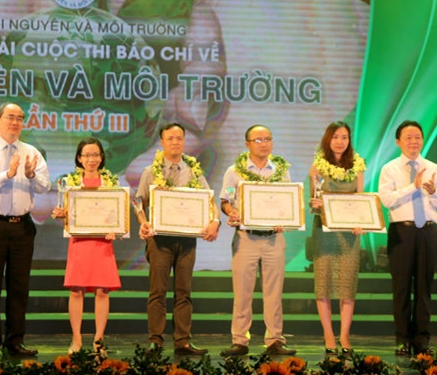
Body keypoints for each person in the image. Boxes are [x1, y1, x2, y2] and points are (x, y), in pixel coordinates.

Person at [0, 102, 51, 359]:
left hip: (22, 227)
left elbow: (44, 187)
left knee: (19, 286)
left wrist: (30, 174)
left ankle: (15, 341)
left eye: (19, 118)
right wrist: (8, 174)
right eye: (10, 117)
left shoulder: (31, 152)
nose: (15, 122)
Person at [135, 123, 220, 356]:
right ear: (162, 142)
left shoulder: (194, 171)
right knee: (158, 291)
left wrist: (215, 221)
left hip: (186, 241)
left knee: (184, 292)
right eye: (170, 138)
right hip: (159, 240)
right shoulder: (150, 171)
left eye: (179, 138)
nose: (175, 142)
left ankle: (182, 341)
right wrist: (143, 221)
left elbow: (210, 201)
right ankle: (155, 340)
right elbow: (138, 201)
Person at [220, 125, 297, 357]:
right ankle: (240, 340)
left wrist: (285, 219)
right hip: (246, 238)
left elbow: (287, 202)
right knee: (242, 292)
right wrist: (232, 211)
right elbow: (225, 200)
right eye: (258, 140)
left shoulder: (281, 170)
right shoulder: (234, 171)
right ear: (247, 144)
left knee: (274, 292)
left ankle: (274, 339)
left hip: (274, 238)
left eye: (267, 139)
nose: (263, 144)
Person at [378, 120, 437, 356]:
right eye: (408, 138)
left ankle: (421, 339)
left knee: (423, 287)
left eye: (417, 137)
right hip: (402, 232)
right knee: (401, 287)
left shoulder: (434, 168)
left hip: (427, 231)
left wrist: (434, 192)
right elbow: (386, 199)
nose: (413, 142)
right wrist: (413, 187)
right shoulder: (389, 169)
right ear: (398, 141)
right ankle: (402, 339)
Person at [51, 138, 122, 356]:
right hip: (79, 242)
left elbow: (117, 216)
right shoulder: (70, 184)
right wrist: (60, 214)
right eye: (87, 155)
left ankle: (99, 340)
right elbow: (65, 214)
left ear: (101, 157)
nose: (92, 159)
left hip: (102, 243)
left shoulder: (110, 183)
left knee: (102, 290)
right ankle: (77, 339)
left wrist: (115, 229)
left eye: (96, 154)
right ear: (79, 158)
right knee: (76, 290)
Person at [308, 122, 366, 358]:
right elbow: (313, 201)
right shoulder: (317, 167)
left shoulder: (358, 166)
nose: (340, 141)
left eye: (344, 137)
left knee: (347, 285)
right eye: (335, 137)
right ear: (327, 139)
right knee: (323, 284)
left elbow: (361, 199)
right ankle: (328, 335)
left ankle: (344, 336)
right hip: (324, 231)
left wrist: (362, 221)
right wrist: (315, 203)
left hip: (349, 233)